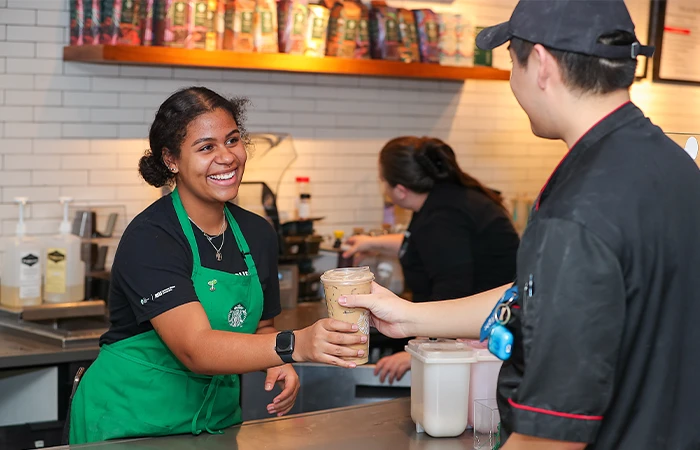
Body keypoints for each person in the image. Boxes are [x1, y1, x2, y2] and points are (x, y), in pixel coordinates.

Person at [340, 1, 700, 449]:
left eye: (513, 61)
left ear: (543, 65)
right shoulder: (671, 165)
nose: (514, 79)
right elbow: (543, 295)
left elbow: (550, 435)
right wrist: (411, 316)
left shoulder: (577, 211)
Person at [69, 87, 366, 445]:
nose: (227, 157)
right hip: (130, 421)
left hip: (215, 422)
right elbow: (196, 348)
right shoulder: (152, 236)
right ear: (171, 160)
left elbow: (260, 328)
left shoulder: (257, 233)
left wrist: (276, 359)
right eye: (206, 147)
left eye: (233, 140)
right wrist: (294, 346)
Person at [343, 136, 519, 383]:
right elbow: (422, 245)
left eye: (382, 180)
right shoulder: (446, 198)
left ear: (401, 190)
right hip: (487, 330)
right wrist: (371, 243)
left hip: (482, 346)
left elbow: (452, 290)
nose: (382, 186)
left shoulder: (442, 217)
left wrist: (418, 351)